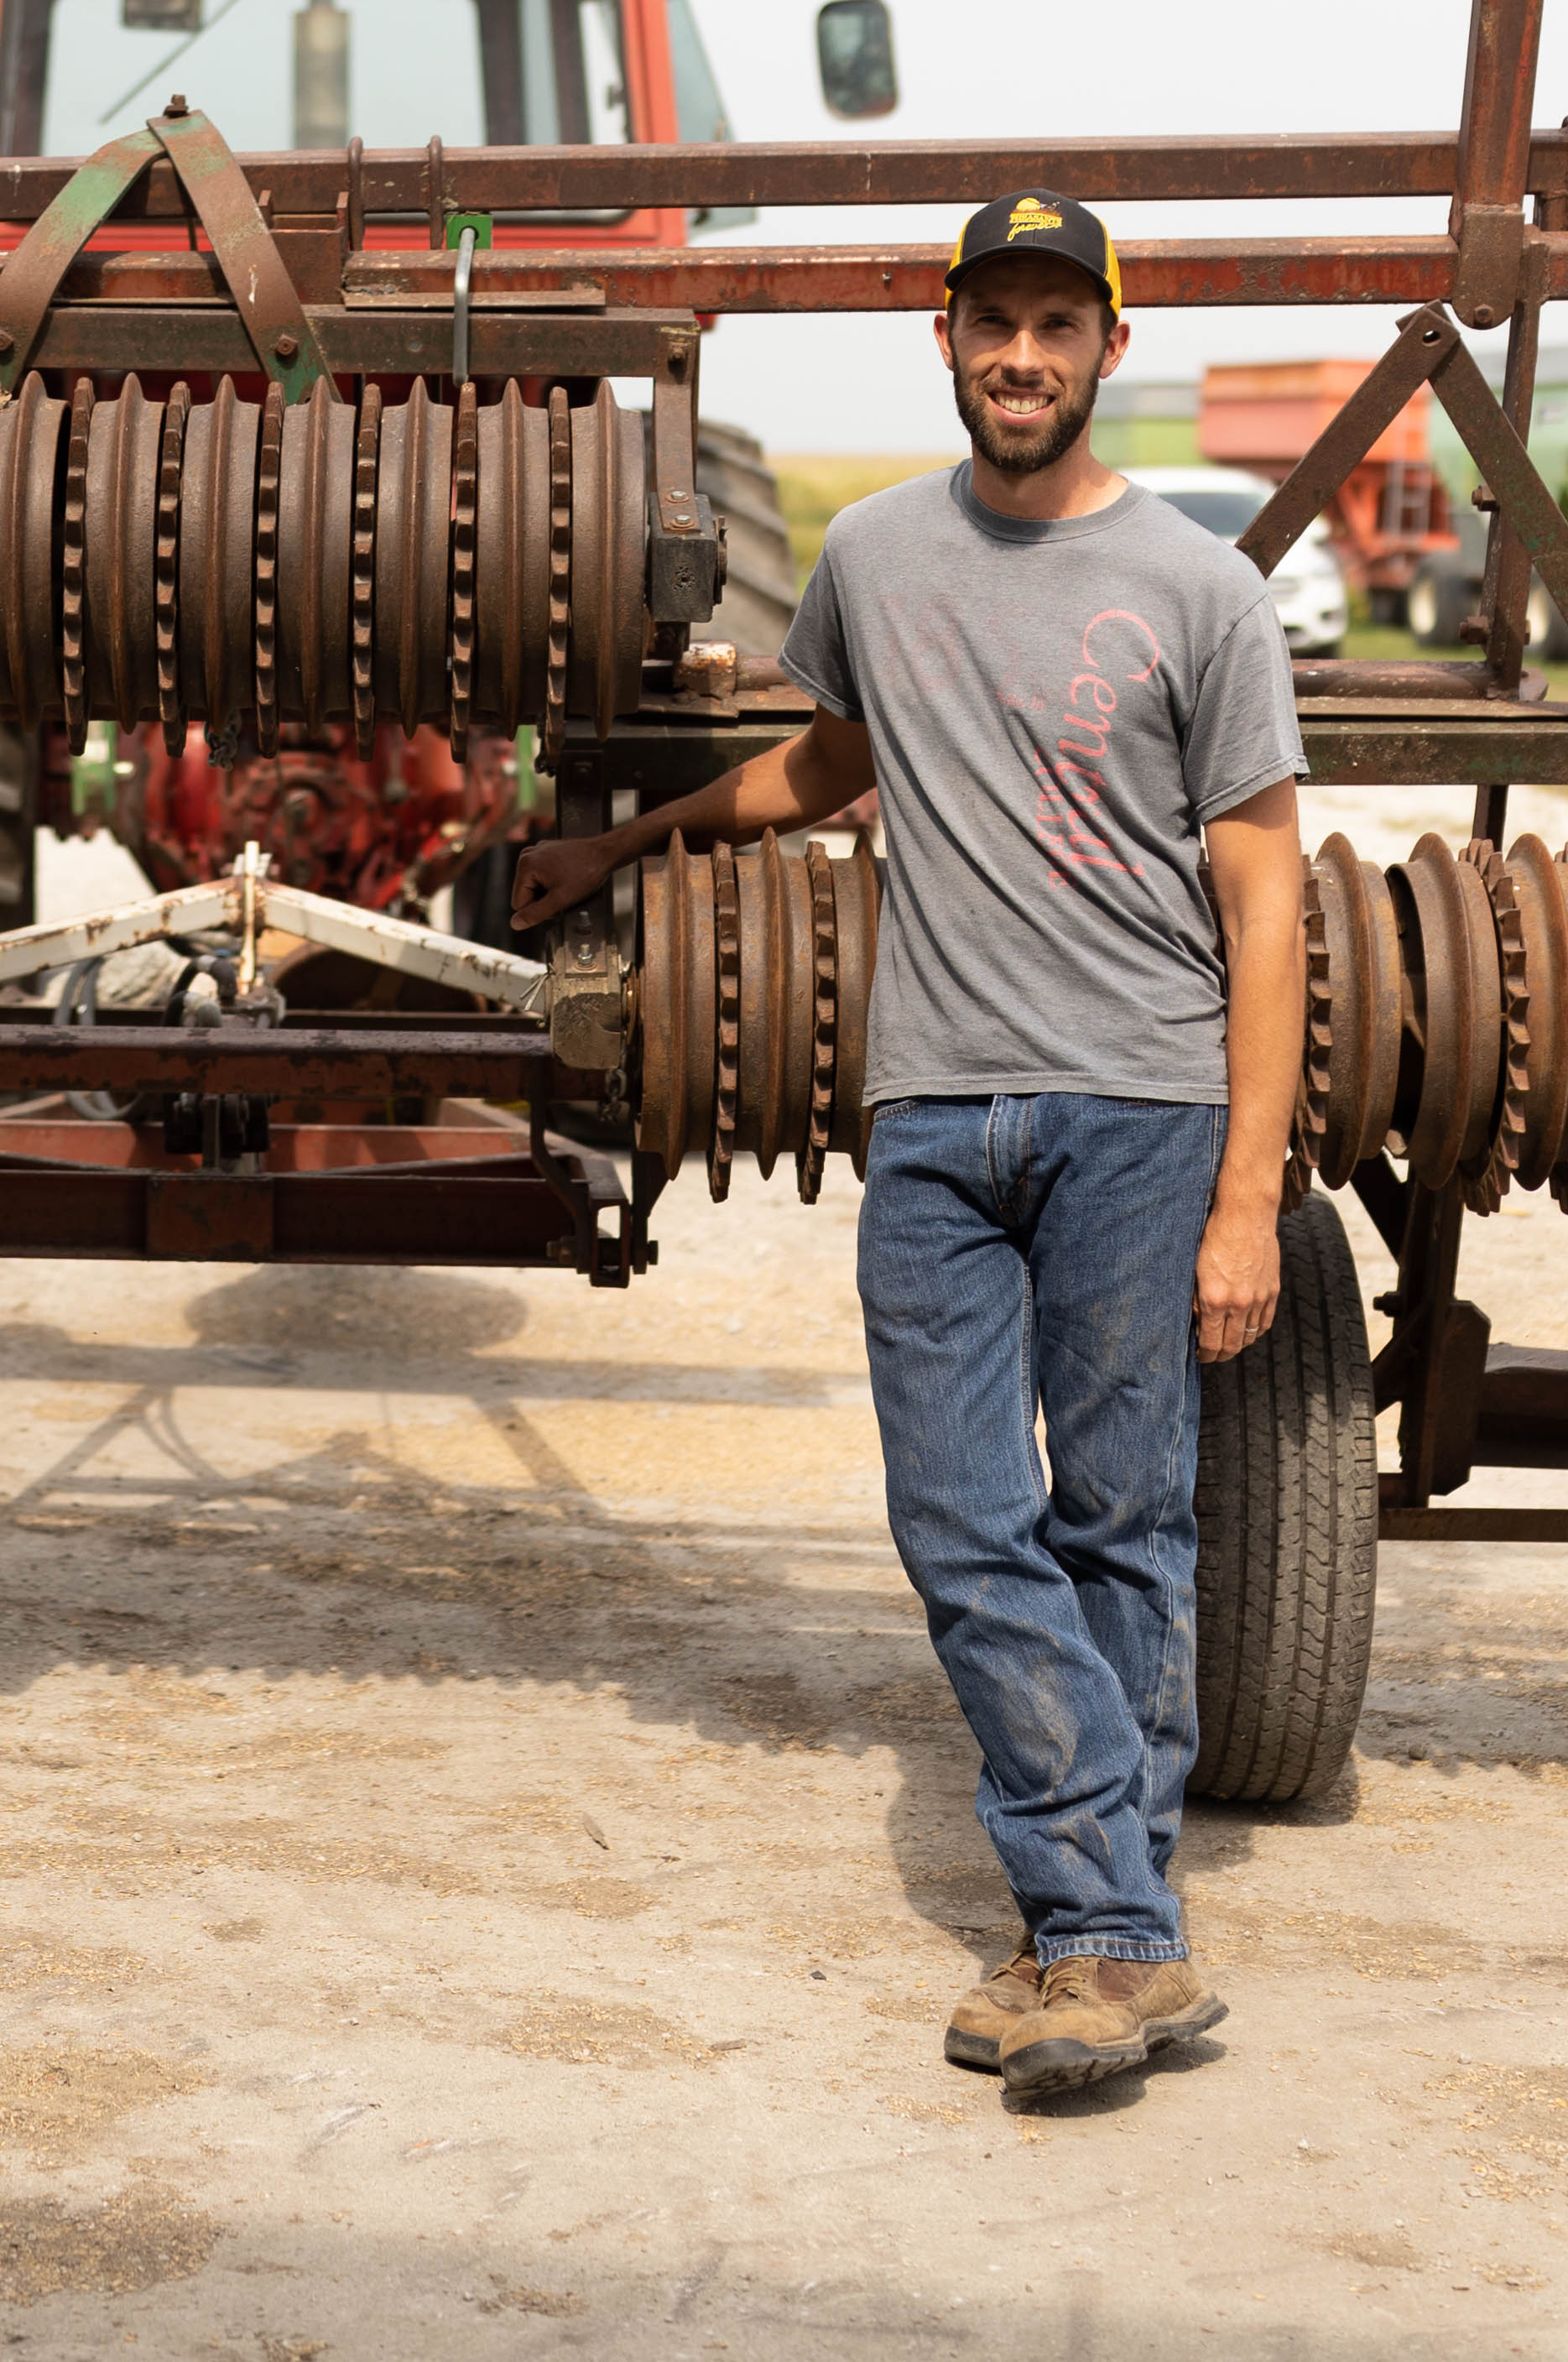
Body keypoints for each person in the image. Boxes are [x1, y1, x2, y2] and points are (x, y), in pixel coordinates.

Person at [513, 190, 1305, 2102]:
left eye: (1055, 322)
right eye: (989, 321)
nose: (1020, 354)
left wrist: (1250, 1192)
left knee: (1124, 1518)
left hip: (1140, 1104)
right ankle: (1120, 1920)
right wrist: (638, 843)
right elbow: (839, 756)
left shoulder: (1205, 590)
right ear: (943, 342)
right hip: (934, 1109)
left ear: (1111, 345)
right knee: (962, 1515)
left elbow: (1267, 895)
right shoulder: (869, 554)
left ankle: (1095, 1932)